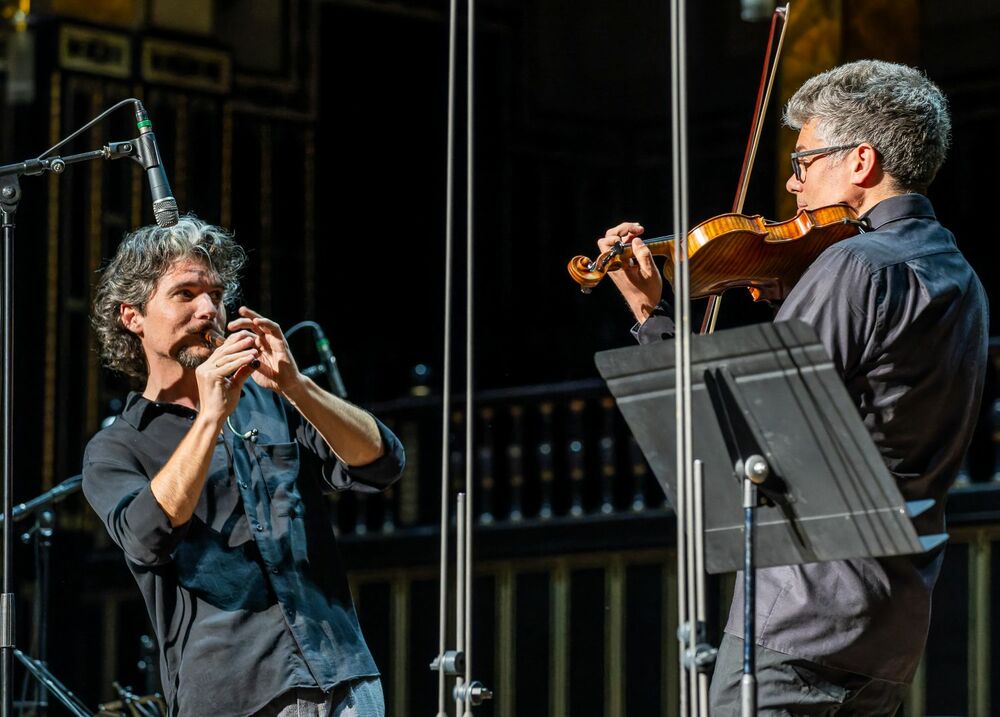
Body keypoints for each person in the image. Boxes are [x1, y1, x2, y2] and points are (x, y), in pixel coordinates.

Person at [598, 60, 988, 715]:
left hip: (804, 617)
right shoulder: (960, 275)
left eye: (805, 161)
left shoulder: (852, 264)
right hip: (892, 628)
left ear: (860, 162)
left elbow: (741, 432)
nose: (791, 182)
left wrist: (652, 317)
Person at [82, 216, 404, 717]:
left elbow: (381, 464)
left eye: (215, 294)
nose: (209, 309)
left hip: (342, 677)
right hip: (233, 694)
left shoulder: (271, 402)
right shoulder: (117, 447)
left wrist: (297, 386)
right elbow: (147, 537)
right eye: (185, 294)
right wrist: (210, 416)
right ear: (132, 317)